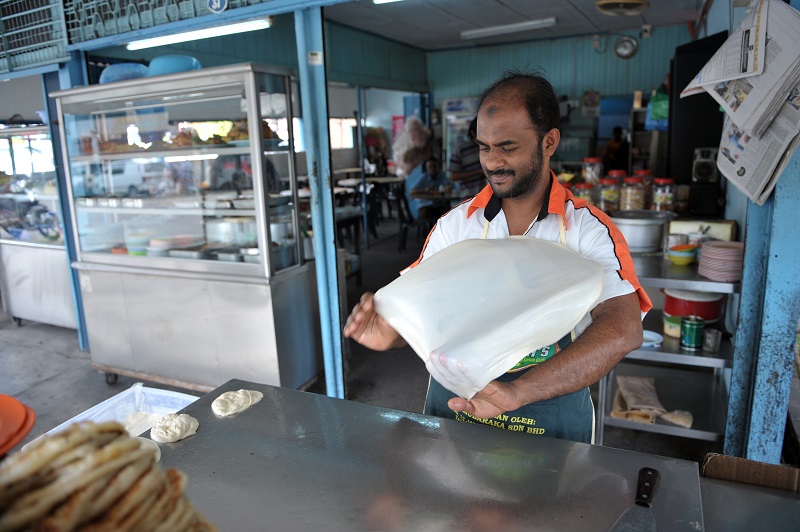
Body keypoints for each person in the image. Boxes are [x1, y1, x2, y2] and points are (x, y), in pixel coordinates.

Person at [344, 70, 650, 444]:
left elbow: (623, 328)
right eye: (484, 147)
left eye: (508, 147)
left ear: (549, 141)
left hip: (547, 423)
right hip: (457, 414)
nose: (492, 163)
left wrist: (520, 391)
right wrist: (389, 334)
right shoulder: (456, 226)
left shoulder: (589, 230)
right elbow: (416, 315)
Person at [448, 117, 484, 196]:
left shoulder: (486, 146)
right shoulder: (460, 149)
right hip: (469, 196)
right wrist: (478, 172)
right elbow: (453, 176)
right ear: (472, 133)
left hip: (488, 197)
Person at [407, 157, 451, 222]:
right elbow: (412, 191)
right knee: (425, 213)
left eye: (434, 166)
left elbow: (449, 186)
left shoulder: (441, 175)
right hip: (425, 204)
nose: (432, 169)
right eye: (430, 167)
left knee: (448, 213)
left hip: (439, 204)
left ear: (438, 167)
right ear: (426, 168)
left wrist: (445, 188)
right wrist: (425, 190)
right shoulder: (423, 177)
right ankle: (426, 230)